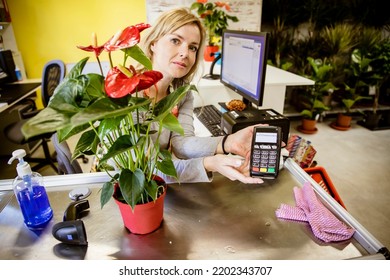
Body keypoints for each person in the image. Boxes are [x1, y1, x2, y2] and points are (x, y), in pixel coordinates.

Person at [140, 7, 264, 185]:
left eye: (192, 47)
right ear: (154, 43)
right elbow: (148, 168)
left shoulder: (181, 93)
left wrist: (228, 142)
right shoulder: (131, 95)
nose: (185, 53)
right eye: (175, 40)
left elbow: (181, 144)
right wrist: (209, 164)